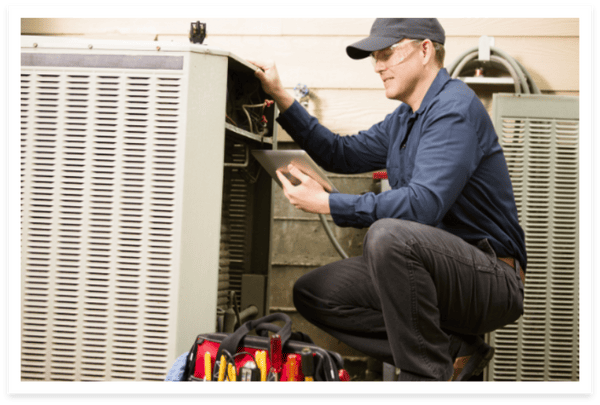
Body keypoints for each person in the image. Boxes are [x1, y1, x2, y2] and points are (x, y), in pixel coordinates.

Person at [249, 18, 526, 381]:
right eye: (374, 57)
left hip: (490, 277)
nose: (378, 65)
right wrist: (282, 97)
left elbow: (424, 205)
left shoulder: (454, 109)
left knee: (389, 236)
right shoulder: (404, 119)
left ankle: (422, 380)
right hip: (433, 271)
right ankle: (452, 349)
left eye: (387, 53)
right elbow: (340, 154)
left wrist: (331, 204)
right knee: (316, 293)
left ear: (425, 50)